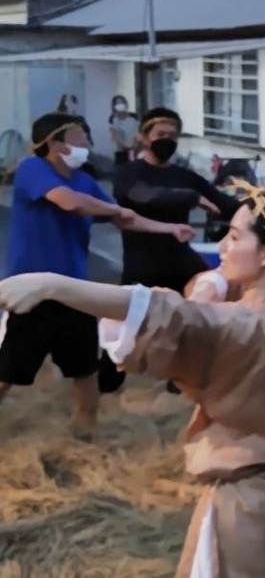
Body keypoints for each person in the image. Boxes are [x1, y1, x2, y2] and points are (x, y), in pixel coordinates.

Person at [0, 185, 265, 578]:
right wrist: (220, 277)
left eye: (234, 237)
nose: (222, 246)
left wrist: (53, 286)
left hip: (260, 513)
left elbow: (162, 312)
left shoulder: (244, 330)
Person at [0, 113, 194, 434]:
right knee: (9, 369)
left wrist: (169, 228)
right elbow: (69, 203)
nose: (87, 143)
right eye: (80, 136)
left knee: (85, 369)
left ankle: (86, 431)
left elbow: (125, 219)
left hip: (75, 291)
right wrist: (116, 209)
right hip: (34, 291)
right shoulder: (33, 168)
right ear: (55, 143)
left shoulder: (85, 181)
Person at [103, 107, 241, 394]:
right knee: (127, 321)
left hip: (180, 260)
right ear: (144, 138)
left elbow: (225, 204)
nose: (167, 140)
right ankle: (107, 379)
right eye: (161, 134)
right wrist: (191, 198)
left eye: (173, 135)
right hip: (143, 263)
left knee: (200, 315)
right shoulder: (129, 173)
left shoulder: (185, 176)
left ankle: (181, 379)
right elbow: (144, 197)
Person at [108, 94, 139, 167]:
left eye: (122, 102)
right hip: (121, 152)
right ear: (114, 106)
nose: (120, 104)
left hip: (136, 149)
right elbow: (115, 136)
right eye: (118, 103)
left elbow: (138, 131)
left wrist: (135, 144)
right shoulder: (113, 119)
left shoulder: (134, 116)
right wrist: (126, 145)